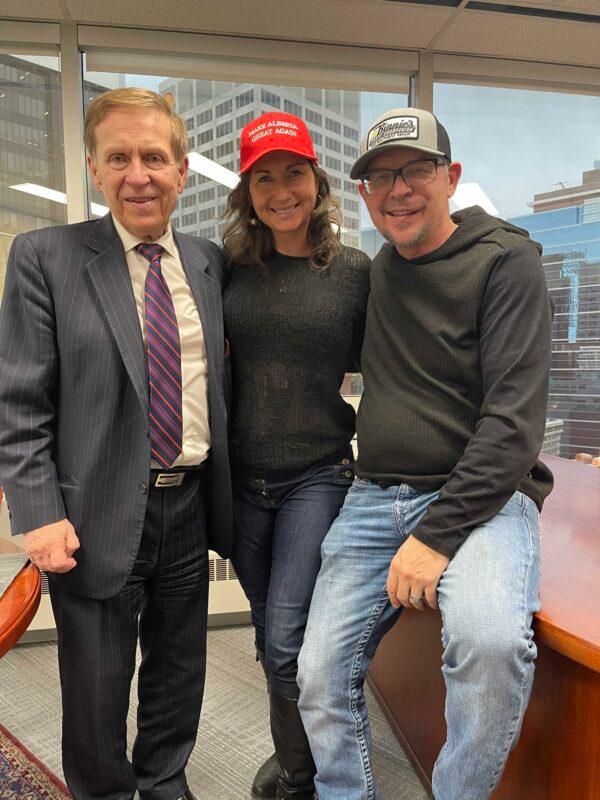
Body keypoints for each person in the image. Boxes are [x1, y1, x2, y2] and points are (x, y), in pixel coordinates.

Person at [296, 107, 554, 800]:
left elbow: (512, 427)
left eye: (414, 170)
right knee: (317, 674)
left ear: (451, 177)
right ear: (363, 195)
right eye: (380, 177)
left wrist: (434, 540)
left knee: (490, 647)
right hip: (374, 494)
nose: (397, 189)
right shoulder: (378, 270)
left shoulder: (506, 261)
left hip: (483, 502)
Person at [0, 87, 232, 800]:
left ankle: (165, 783)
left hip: (187, 506)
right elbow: (19, 400)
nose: (140, 173)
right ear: (96, 170)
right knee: (97, 691)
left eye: (155, 156)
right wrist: (35, 512)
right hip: (91, 511)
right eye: (120, 157)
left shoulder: (208, 262)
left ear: (182, 169)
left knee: (179, 673)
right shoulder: (46, 257)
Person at [221, 111, 370, 800]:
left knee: (286, 638)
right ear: (248, 191)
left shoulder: (354, 273)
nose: (282, 189)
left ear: (318, 180)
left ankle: (303, 775)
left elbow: (395, 368)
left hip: (319, 474)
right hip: (243, 481)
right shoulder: (228, 272)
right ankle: (297, 759)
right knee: (270, 631)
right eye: (264, 177)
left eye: (295, 172)